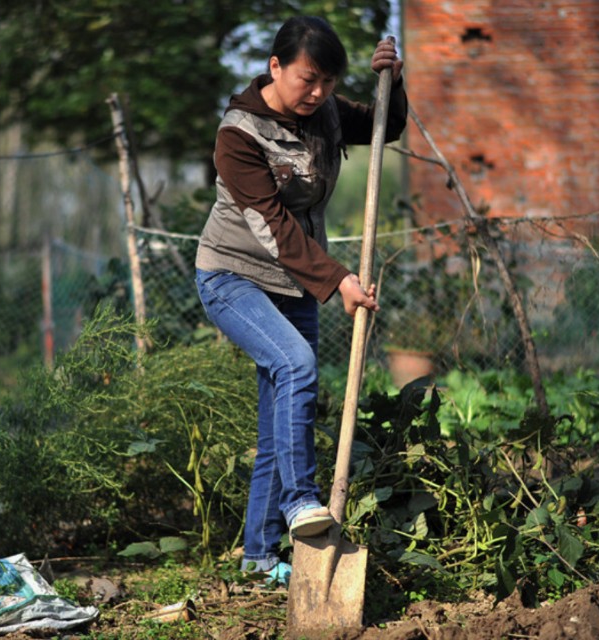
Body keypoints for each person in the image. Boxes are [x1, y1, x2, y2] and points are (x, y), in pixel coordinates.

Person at [194, 15, 407, 582]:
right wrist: (338, 279)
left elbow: (387, 126)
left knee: (278, 423)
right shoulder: (238, 134)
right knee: (296, 364)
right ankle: (299, 503)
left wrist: (393, 79)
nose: (317, 93)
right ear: (275, 67)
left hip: (294, 283)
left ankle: (259, 556)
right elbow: (274, 228)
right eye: (307, 80)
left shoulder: (327, 111)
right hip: (233, 276)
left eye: (328, 83)